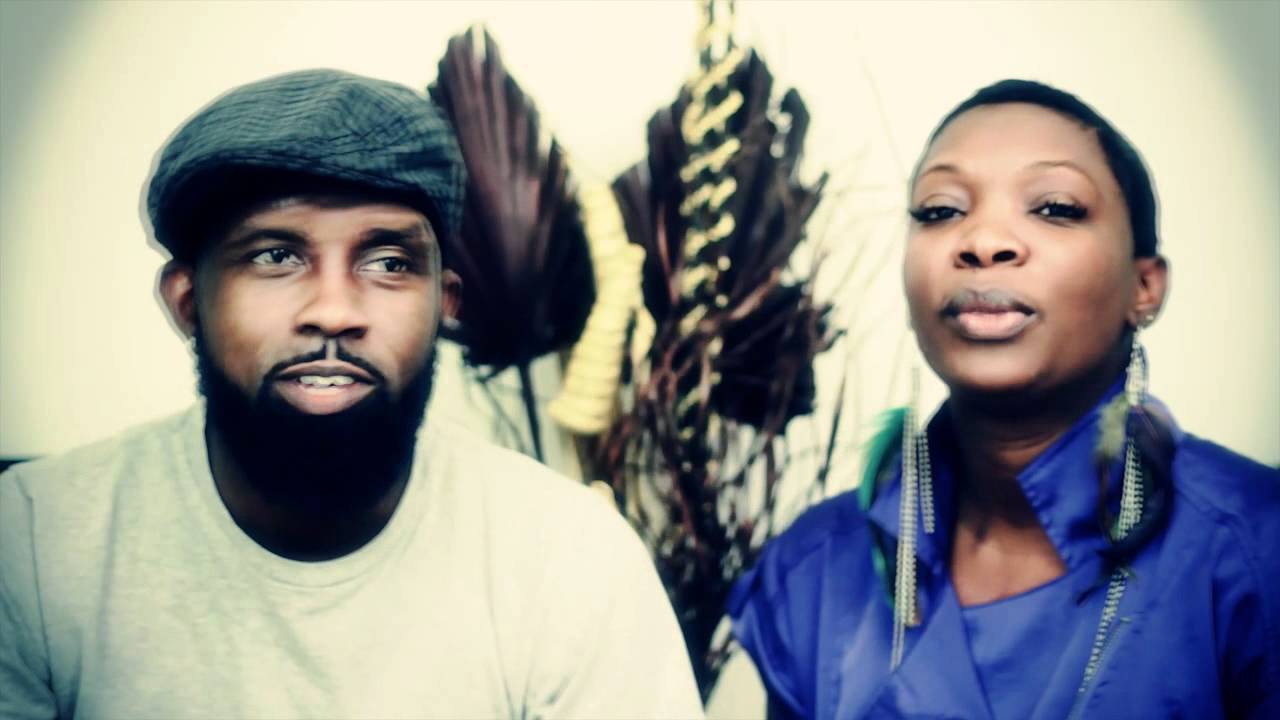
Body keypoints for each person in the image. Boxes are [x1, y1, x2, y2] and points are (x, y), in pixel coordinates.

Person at [0, 69, 703, 720]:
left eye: (388, 262)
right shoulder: (33, 544)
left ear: (445, 306)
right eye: (275, 255)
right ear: (188, 303)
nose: (334, 311)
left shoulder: (570, 557)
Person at [729, 79, 1279, 719]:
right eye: (940, 211)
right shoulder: (813, 570)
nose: (983, 241)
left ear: (1144, 287)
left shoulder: (1256, 550)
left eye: (1055, 207)